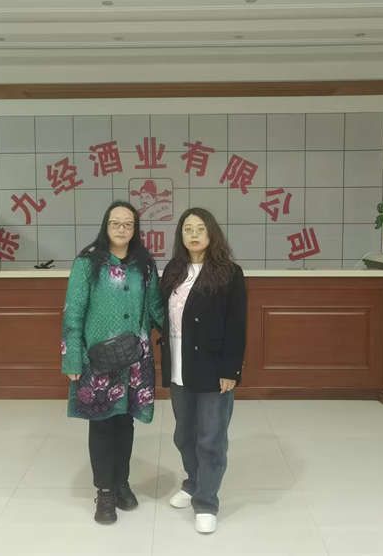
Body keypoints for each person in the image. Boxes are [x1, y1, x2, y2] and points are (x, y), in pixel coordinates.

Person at [61, 201, 163, 525]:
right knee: (103, 424)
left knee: (125, 422)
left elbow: (157, 308)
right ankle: (104, 491)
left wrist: (184, 331)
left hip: (134, 361)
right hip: (100, 361)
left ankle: (121, 482)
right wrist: (72, 358)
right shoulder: (87, 263)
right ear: (106, 226)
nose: (121, 229)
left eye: (128, 224)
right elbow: (73, 313)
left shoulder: (145, 265)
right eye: (115, 223)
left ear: (135, 229)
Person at [159, 207, 247, 534]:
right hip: (179, 367)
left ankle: (207, 501)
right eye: (187, 229)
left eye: (200, 228)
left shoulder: (229, 273)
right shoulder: (173, 270)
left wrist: (230, 370)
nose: (193, 234)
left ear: (212, 233)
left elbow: (237, 325)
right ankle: (194, 482)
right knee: (184, 434)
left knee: (210, 437)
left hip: (212, 369)